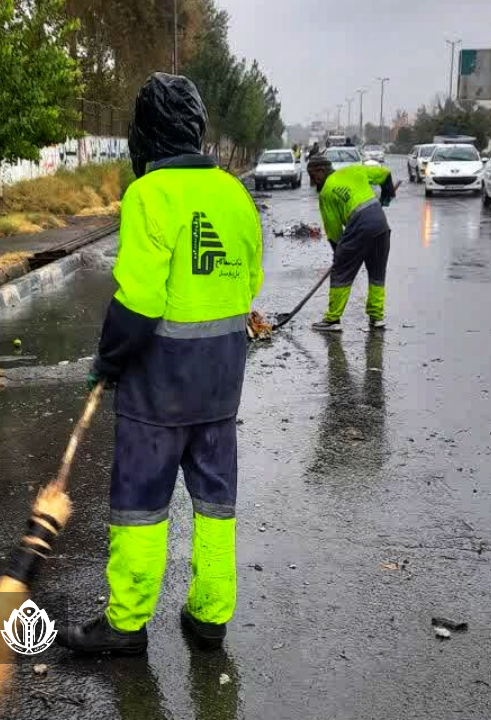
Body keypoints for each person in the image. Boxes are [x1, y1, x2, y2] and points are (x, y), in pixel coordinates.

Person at [57, 72, 264, 656]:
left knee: (141, 507)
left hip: (159, 391)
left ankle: (125, 626)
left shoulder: (149, 194)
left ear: (143, 135)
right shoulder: (234, 195)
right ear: (195, 130)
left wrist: (108, 360)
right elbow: (248, 282)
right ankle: (209, 618)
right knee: (215, 504)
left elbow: (140, 301)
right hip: (222, 387)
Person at [305, 154, 395, 332]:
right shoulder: (355, 170)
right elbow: (385, 174)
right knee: (377, 271)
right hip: (380, 223)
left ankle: (333, 320)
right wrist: (386, 197)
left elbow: (333, 230)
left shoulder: (326, 192)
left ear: (321, 171)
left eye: (313, 176)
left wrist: (338, 255)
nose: (312, 182)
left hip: (360, 223)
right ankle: (377, 317)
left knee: (341, 272)